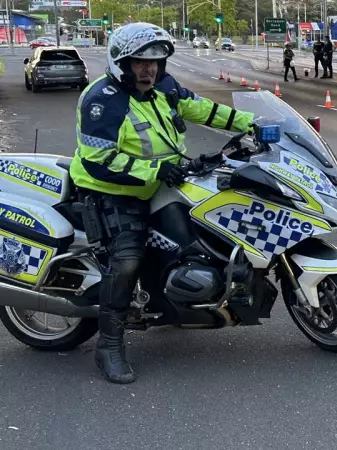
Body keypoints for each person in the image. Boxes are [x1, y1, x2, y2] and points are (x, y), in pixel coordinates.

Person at [68, 22, 255, 383]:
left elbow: (203, 110)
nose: (149, 69)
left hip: (162, 182)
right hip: (112, 189)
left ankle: (177, 299)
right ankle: (109, 346)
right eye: (140, 62)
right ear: (121, 62)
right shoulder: (102, 100)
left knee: (199, 233)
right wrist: (156, 169)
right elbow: (98, 161)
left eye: (154, 62)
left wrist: (254, 124)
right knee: (127, 258)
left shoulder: (163, 87)